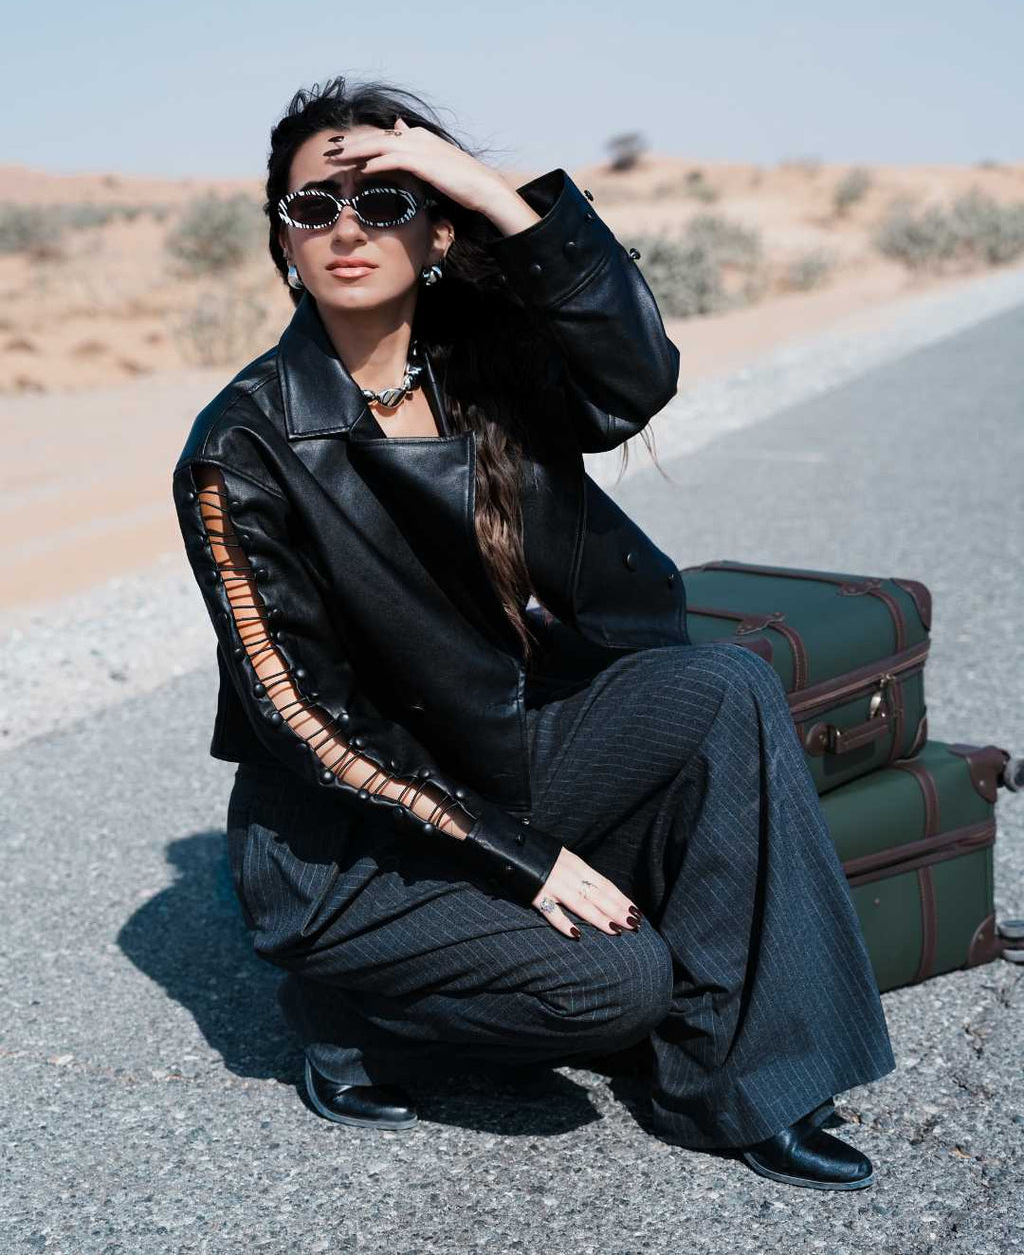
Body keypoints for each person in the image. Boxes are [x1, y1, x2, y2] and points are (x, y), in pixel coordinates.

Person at [171, 76, 897, 1192]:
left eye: (389, 200)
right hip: (352, 837)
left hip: (498, 748)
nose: (349, 229)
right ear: (281, 240)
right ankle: (351, 1010)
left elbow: (636, 376)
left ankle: (751, 1080)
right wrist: (529, 857)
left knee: (728, 685)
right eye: (313, 208)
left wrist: (503, 199)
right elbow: (301, 714)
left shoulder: (485, 362)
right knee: (616, 985)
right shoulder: (239, 448)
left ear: (438, 224)